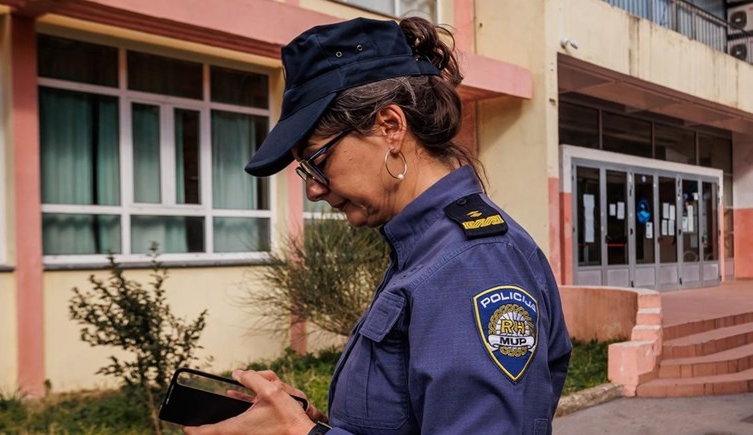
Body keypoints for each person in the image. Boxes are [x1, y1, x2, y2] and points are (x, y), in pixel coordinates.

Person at [185, 16, 572, 435]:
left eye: (317, 161)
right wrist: (309, 421)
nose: (314, 190)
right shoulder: (427, 249)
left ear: (390, 127)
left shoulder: (473, 265)